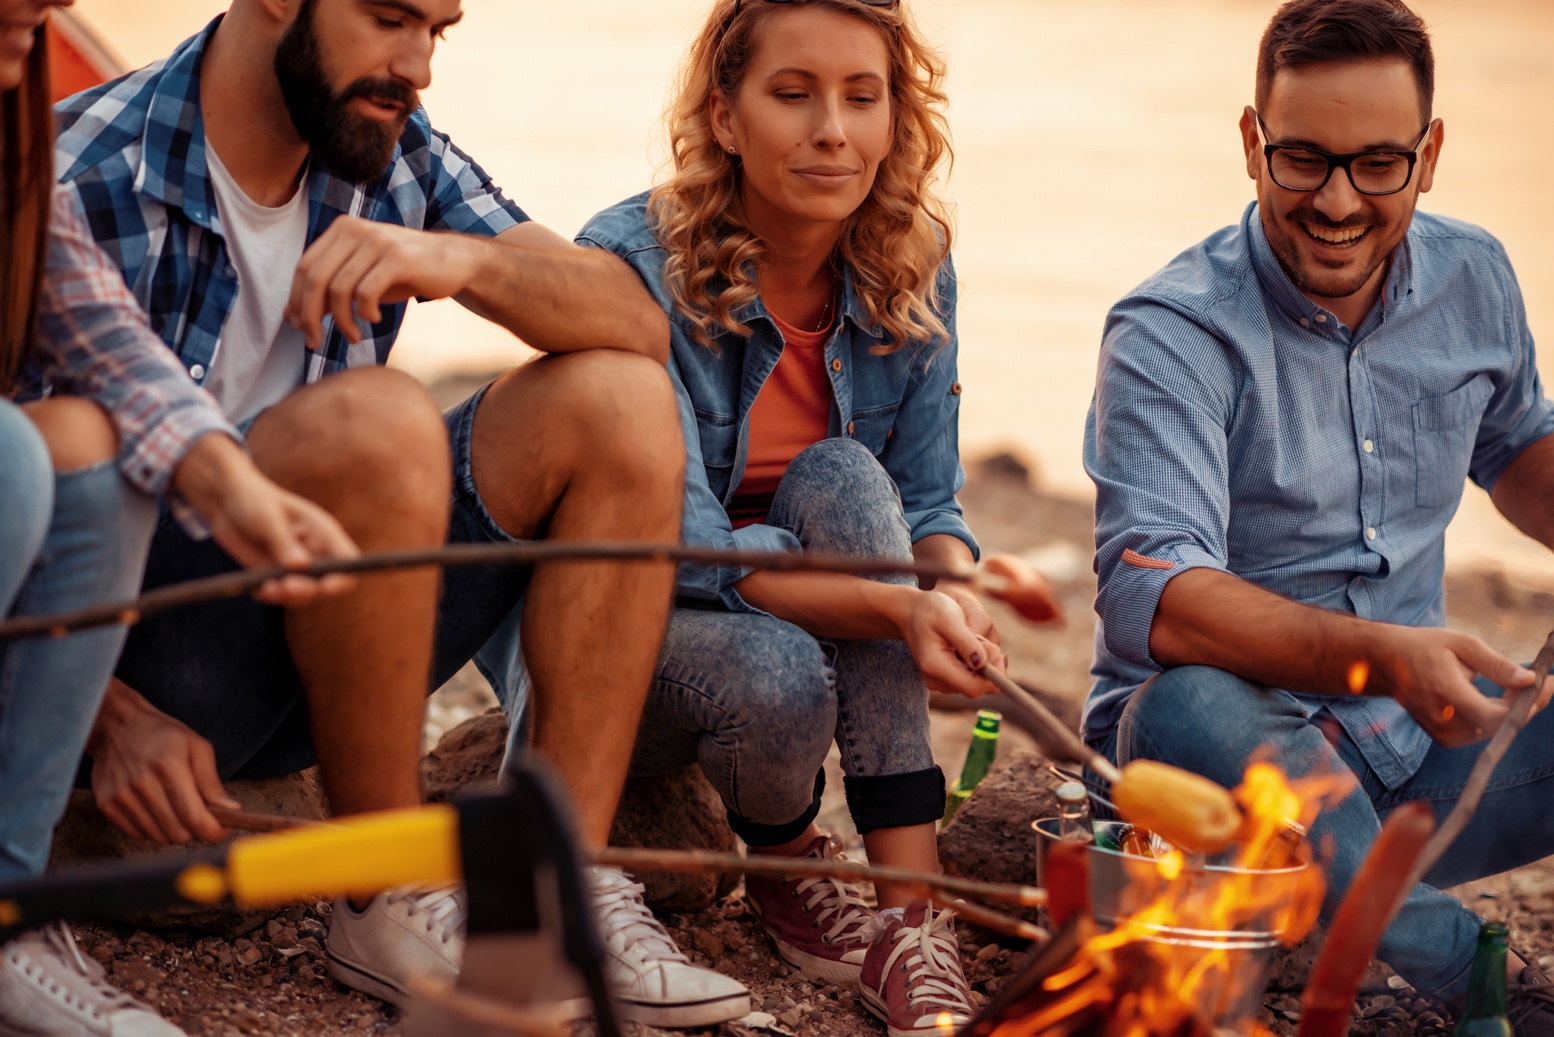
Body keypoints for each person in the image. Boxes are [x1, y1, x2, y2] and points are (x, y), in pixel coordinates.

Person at [49, 0, 715, 1022]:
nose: (420, 66)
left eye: (438, 31)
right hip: (148, 671)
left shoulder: (386, 145)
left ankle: (546, 891)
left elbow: (634, 321)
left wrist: (465, 262)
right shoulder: (87, 172)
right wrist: (109, 721)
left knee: (618, 399)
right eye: (392, 18)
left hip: (349, 632)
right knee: (377, 419)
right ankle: (387, 884)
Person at [578, 1, 1059, 1032]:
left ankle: (909, 922)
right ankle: (790, 856)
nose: (831, 130)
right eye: (792, 95)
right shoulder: (631, 262)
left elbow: (925, 498)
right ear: (725, 114)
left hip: (818, 589)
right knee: (785, 667)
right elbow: (689, 554)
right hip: (632, 640)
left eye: (861, 96)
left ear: (896, 119)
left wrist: (949, 595)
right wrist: (896, 610)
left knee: (848, 475)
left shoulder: (911, 260)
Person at [1084, 0, 1554, 1028]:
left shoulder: (1476, 275)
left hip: (1419, 771)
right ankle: (1465, 969)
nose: (1338, 201)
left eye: (1377, 164)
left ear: (1429, 156)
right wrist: (1385, 653)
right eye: (1303, 159)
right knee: (1183, 701)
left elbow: (1519, 453)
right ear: (1253, 145)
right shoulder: (1171, 332)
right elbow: (1153, 600)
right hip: (1224, 787)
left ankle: (1362, 899)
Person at [0, 3, 359, 1032]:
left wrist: (239, 493)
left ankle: (10, 908)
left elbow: (105, 343)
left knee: (93, 452)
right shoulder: (100, 146)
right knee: (21, 459)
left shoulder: (11, 138)